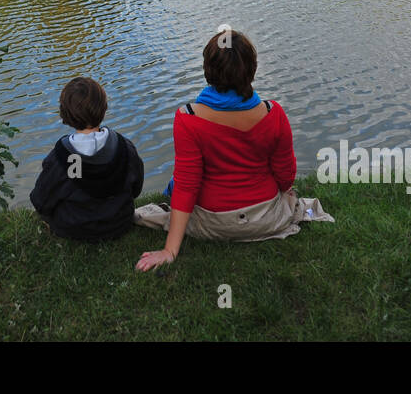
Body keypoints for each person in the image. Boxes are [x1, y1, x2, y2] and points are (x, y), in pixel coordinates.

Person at [135, 29, 326, 272]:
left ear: (208, 70)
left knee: (176, 184)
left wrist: (169, 250)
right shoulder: (274, 113)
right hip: (265, 218)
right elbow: (286, 177)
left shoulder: (188, 118)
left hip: (211, 224)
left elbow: (186, 186)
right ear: (252, 69)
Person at [30, 76, 145, 242]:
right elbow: (136, 188)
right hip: (120, 222)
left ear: (65, 113)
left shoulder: (64, 158)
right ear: (104, 108)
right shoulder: (124, 147)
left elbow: (41, 200)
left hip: (75, 229)